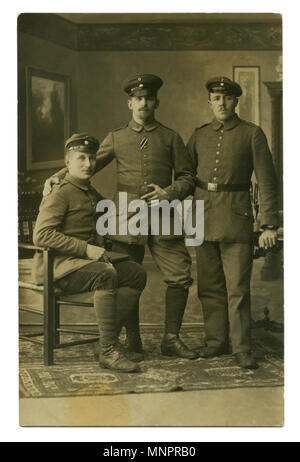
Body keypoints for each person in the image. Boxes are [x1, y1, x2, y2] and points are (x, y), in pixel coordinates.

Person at [43, 74, 198, 360]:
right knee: (126, 277)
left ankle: (171, 339)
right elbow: (85, 163)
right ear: (129, 103)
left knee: (179, 276)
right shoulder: (116, 137)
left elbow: (188, 177)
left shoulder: (170, 137)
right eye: (138, 99)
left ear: (156, 102)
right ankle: (131, 338)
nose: (143, 103)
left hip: (164, 212)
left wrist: (169, 192)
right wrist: (56, 177)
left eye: (148, 98)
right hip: (126, 215)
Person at [32, 133, 147, 373]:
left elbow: (109, 213)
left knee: (136, 273)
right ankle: (108, 352)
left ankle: (106, 341)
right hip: (58, 267)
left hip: (81, 264)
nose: (88, 163)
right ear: (68, 163)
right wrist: (86, 249)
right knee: (106, 273)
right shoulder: (60, 193)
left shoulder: (88, 191)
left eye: (92, 158)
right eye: (81, 158)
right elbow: (41, 235)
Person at [186, 76, 278, 369]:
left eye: (226, 98)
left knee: (237, 287)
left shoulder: (252, 133)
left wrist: (268, 224)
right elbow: (185, 176)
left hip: (236, 217)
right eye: (215, 98)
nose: (221, 103)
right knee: (209, 286)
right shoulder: (199, 135)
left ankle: (241, 347)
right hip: (202, 215)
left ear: (236, 101)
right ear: (209, 102)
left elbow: (266, 181)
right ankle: (216, 342)